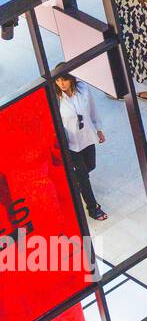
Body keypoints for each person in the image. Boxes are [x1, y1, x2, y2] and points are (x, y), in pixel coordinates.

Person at [53, 69, 108, 222]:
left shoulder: (83, 89)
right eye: (58, 81)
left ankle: (71, 182)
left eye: (64, 80)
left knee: (91, 165)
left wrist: (99, 129)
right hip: (70, 144)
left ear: (71, 79)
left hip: (88, 137)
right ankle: (93, 208)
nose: (61, 84)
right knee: (84, 177)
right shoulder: (56, 99)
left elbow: (93, 111)